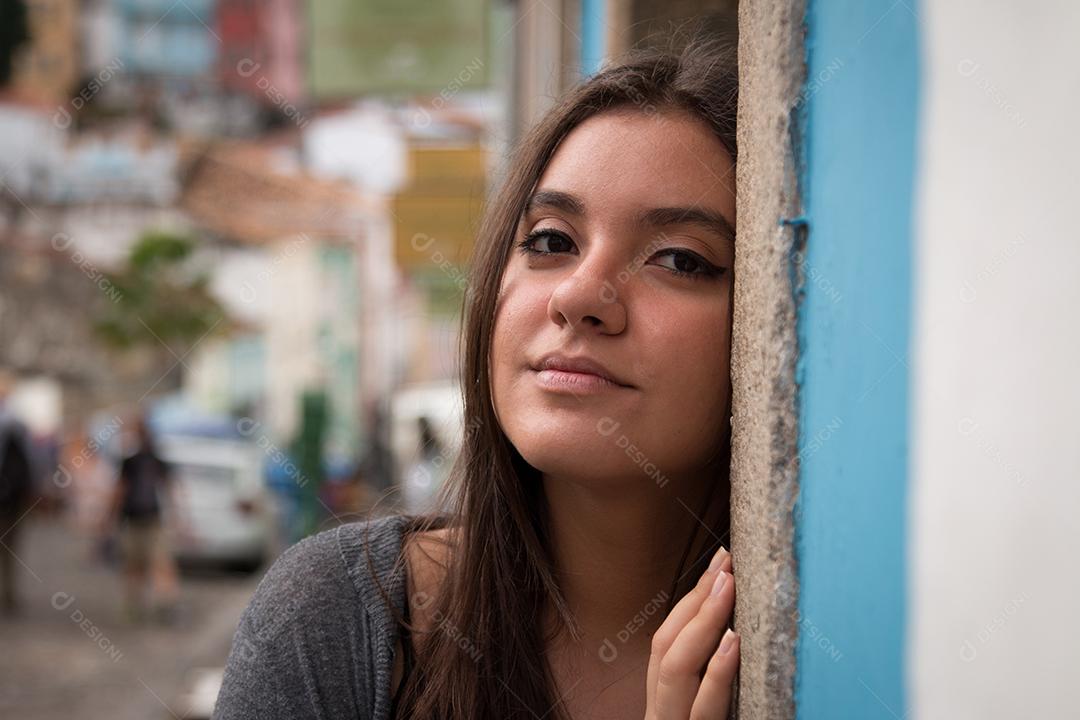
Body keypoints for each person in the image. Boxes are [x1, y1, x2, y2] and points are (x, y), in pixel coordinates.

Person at [214, 35, 738, 720]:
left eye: (678, 259)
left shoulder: (820, 661)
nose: (580, 295)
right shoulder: (340, 624)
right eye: (551, 240)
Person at [101, 411, 181, 623]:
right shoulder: (154, 458)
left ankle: (136, 607)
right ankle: (160, 605)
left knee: (136, 566)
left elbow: (119, 492)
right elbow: (170, 489)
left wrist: (108, 519)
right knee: (158, 564)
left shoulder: (131, 460)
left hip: (137, 520)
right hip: (150, 519)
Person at [0, 375, 34, 617]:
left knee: (10, 549)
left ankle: (8, 595)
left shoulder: (14, 425)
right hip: (13, 500)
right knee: (10, 550)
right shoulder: (16, 425)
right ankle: (8, 595)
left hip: (10, 501)